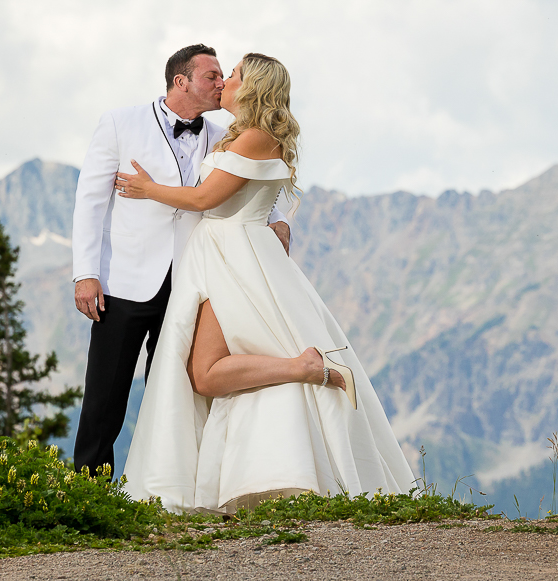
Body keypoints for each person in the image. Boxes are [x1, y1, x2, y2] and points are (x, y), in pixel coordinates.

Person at [118, 53, 413, 513]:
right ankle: (299, 376)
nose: (224, 81)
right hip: (220, 253)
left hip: (234, 257)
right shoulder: (242, 135)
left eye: (232, 74)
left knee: (204, 373)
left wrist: (147, 189)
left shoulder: (256, 137)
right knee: (204, 374)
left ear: (252, 86)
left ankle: (306, 369)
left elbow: (204, 198)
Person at [70, 45, 291, 476]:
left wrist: (279, 219)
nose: (221, 83)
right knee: (105, 393)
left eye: (225, 76)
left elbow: (250, 180)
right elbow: (89, 201)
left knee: (172, 391)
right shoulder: (120, 122)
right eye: (212, 76)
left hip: (194, 279)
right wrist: (86, 274)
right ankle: (88, 490)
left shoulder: (224, 133)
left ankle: (161, 484)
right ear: (181, 81)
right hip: (125, 281)